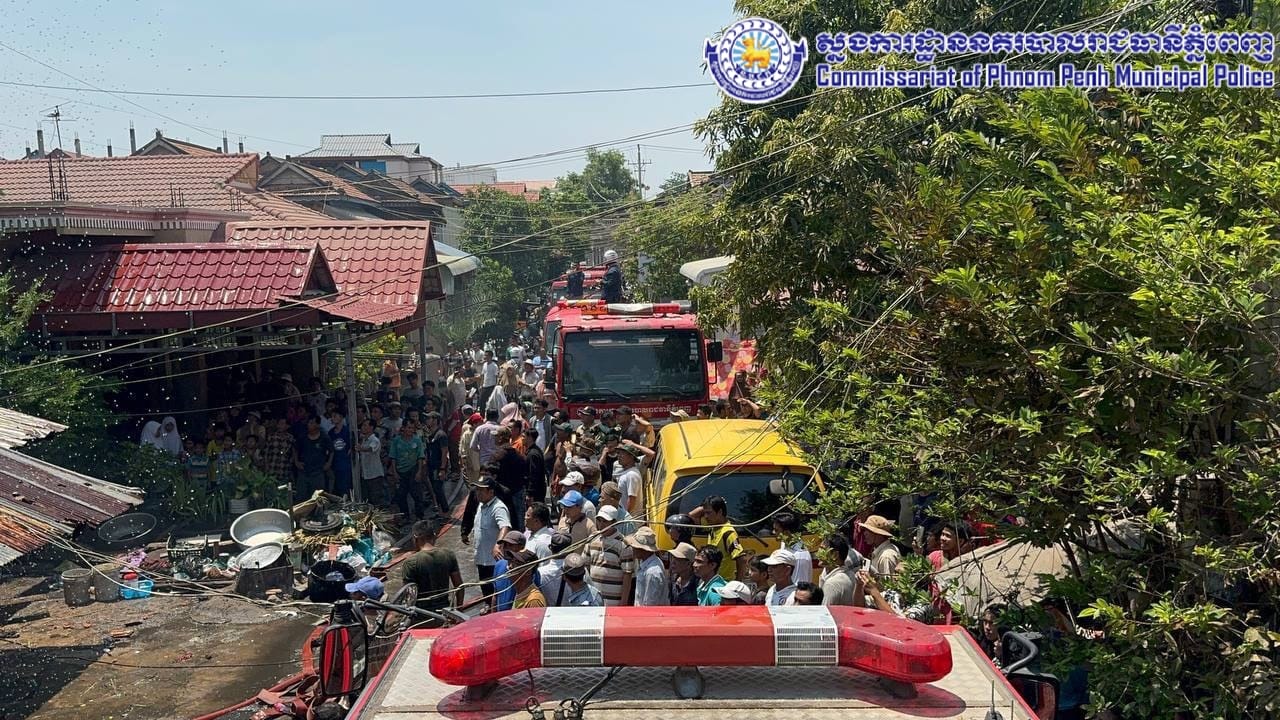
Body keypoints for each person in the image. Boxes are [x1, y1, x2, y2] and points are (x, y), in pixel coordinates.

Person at [402, 520, 465, 621]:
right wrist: (459, 610)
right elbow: (459, 586)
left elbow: (409, 596)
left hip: (421, 616)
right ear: (434, 536)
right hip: (445, 612)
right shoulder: (449, 555)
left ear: (415, 538)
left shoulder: (410, 562)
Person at [465, 475, 511, 613]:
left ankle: (497, 610)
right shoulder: (481, 505)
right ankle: (488, 605)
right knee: (484, 583)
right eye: (477, 489)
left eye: (481, 490)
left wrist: (498, 544)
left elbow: (505, 526)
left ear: (491, 492)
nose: (478, 493)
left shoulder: (498, 508)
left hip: (493, 559)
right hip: (481, 557)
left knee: (496, 587)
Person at [585, 505, 635, 606]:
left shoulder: (623, 545)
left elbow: (627, 575)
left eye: (605, 521)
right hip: (593, 599)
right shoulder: (592, 538)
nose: (601, 524)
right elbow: (586, 565)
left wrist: (623, 602)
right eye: (599, 520)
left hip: (613, 602)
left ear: (614, 522)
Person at [689, 495, 746, 580]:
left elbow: (741, 560)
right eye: (704, 513)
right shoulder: (713, 525)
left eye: (709, 513)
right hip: (712, 581)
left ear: (719, 512)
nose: (706, 516)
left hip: (723, 583)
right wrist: (706, 505)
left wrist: (737, 583)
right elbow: (691, 517)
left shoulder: (728, 533)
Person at [293, 415, 332, 500]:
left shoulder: (324, 437)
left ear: (317, 425)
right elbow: (295, 449)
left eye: (311, 423)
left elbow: (331, 451)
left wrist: (328, 463)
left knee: (318, 497)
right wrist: (296, 462)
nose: (309, 425)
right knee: (301, 497)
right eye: (308, 423)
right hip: (304, 471)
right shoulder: (302, 437)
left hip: (318, 471)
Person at [628, 527, 668, 606]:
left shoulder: (652, 572)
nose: (632, 549)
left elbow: (650, 604)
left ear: (643, 549)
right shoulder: (648, 563)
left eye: (635, 547)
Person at [818, 533, 861, 606]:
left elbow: (825, 611)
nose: (818, 553)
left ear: (835, 555)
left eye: (823, 549)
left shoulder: (832, 584)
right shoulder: (850, 574)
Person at [422, 412, 450, 515]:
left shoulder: (441, 435)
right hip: (431, 466)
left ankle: (445, 512)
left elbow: (444, 452)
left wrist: (442, 469)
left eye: (429, 418)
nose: (426, 420)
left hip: (438, 466)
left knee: (438, 489)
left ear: (435, 420)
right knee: (435, 488)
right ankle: (440, 512)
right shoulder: (430, 434)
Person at [773, 513, 813, 585]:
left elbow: (800, 587)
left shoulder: (800, 556)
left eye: (776, 530)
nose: (773, 532)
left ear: (786, 532)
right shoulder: (785, 542)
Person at [358, 418, 389, 507]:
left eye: (365, 425)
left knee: (376, 499)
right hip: (365, 474)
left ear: (371, 427)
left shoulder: (375, 440)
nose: (363, 427)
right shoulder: (364, 440)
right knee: (367, 499)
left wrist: (361, 449)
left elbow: (371, 449)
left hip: (374, 475)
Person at [538, 532, 574, 606]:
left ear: (550, 547)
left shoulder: (540, 573)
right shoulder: (578, 570)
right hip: (574, 612)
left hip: (549, 612)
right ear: (571, 550)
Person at [263, 417, 296, 488]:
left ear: (287, 426)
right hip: (272, 468)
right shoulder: (271, 437)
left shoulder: (291, 438)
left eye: (282, 424)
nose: (280, 426)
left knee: (285, 489)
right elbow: (266, 453)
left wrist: (290, 463)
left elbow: (293, 453)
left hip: (285, 469)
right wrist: (266, 466)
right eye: (279, 424)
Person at [611, 441, 643, 514]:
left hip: (630, 518)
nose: (619, 456)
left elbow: (632, 499)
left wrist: (626, 516)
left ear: (631, 456)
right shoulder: (627, 472)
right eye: (619, 453)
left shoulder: (631, 474)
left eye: (622, 454)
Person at [328, 410, 353, 497]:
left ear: (341, 417)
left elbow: (350, 447)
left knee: (345, 485)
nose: (332, 418)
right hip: (335, 463)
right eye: (332, 416)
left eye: (335, 416)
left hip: (345, 463)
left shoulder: (347, 431)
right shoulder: (331, 433)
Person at [523, 428, 546, 506]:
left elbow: (533, 475)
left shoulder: (533, 454)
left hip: (535, 493)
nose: (522, 439)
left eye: (524, 436)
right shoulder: (534, 451)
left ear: (530, 438)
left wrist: (530, 493)